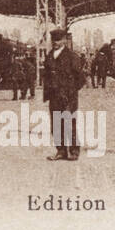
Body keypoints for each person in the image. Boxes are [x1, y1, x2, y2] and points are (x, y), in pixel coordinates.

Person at [42, 28, 83, 160]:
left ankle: (74, 151)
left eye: (58, 40)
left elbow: (81, 78)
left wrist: (71, 92)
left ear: (64, 40)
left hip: (68, 97)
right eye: (54, 40)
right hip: (54, 96)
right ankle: (61, 151)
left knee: (69, 123)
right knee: (56, 124)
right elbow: (47, 77)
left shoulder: (72, 57)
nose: (55, 42)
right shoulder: (49, 56)